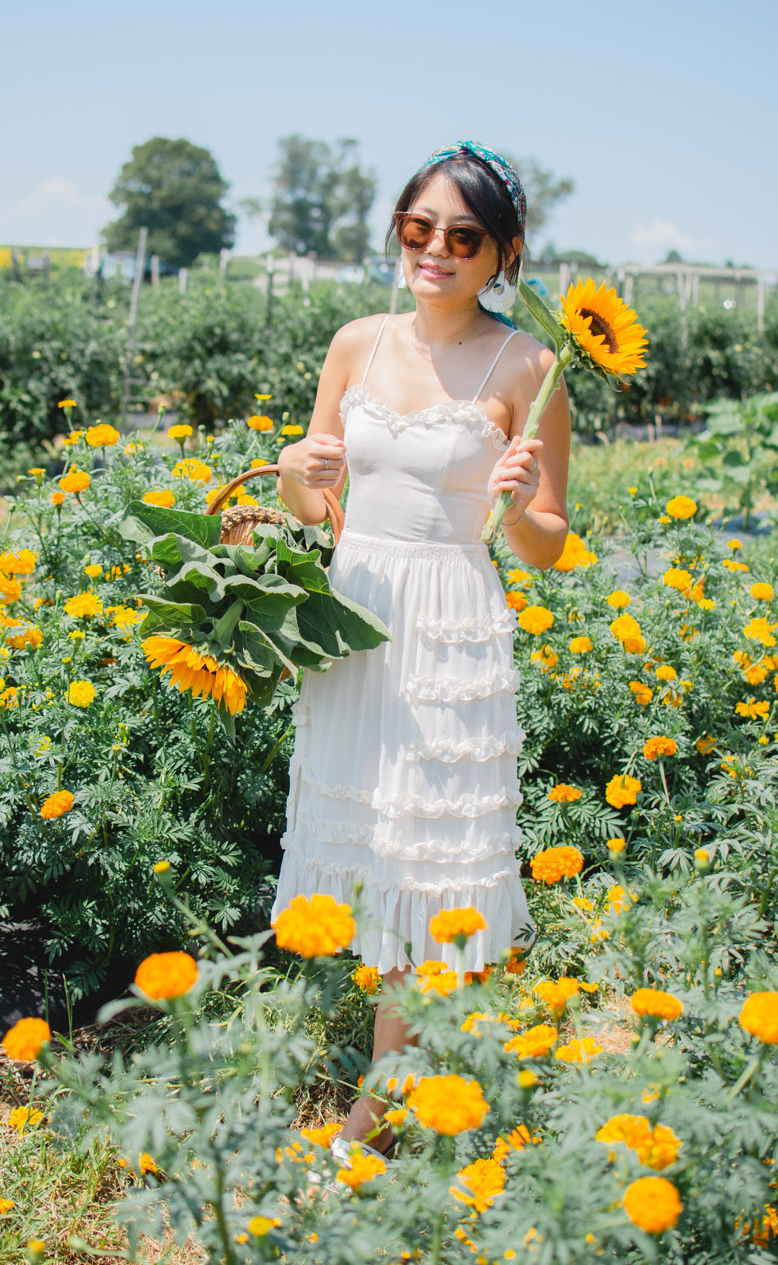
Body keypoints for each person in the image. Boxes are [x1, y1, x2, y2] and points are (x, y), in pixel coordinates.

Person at [271, 140, 570, 1160]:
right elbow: (315, 505)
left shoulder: (528, 367)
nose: (434, 249)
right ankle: (421, 1057)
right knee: (370, 852)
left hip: (449, 623)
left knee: (425, 855)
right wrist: (290, 468)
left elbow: (549, 543)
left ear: (504, 255)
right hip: (357, 617)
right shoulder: (356, 341)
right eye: (416, 227)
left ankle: (379, 1103)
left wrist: (515, 507)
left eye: (462, 235)